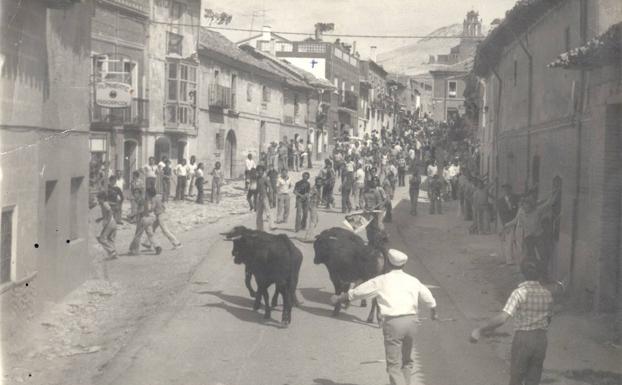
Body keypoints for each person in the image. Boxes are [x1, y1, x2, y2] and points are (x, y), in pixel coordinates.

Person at [331, 249, 437, 385]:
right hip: (412, 323)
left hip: (394, 324)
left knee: (393, 365)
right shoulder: (413, 280)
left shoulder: (381, 280)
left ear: (388, 263)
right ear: (403, 265)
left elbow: (360, 291)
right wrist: (434, 311)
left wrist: (340, 297)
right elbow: (428, 298)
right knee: (406, 361)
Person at [470, 259, 565, 385]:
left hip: (523, 339)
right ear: (539, 275)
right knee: (533, 379)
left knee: (516, 378)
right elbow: (548, 318)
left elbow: (503, 318)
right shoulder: (546, 294)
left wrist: (480, 329)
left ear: (522, 274)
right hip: (541, 340)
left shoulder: (519, 293)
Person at [128, 187, 162, 256]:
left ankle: (134, 250)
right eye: (134, 193)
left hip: (144, 219)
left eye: (136, 193)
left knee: (138, 235)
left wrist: (132, 215)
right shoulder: (142, 199)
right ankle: (157, 247)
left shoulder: (140, 200)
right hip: (148, 218)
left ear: (139, 194)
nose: (134, 194)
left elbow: (141, 210)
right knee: (150, 234)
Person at [497, 184, 519, 264]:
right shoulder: (500, 201)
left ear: (510, 190)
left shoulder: (515, 198)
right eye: (505, 190)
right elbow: (501, 214)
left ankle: (514, 258)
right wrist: (504, 225)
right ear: (503, 191)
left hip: (516, 222)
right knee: (508, 242)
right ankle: (509, 259)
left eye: (508, 189)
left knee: (515, 241)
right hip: (507, 223)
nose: (506, 191)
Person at [95, 191, 117, 260]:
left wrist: (107, 221)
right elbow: (107, 214)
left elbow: (110, 212)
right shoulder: (104, 204)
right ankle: (113, 254)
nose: (98, 200)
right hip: (113, 223)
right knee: (110, 239)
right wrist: (100, 219)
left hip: (110, 223)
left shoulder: (104, 204)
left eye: (98, 199)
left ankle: (112, 252)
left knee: (101, 239)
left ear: (102, 198)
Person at [255, 165, 274, 231]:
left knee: (268, 212)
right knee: (259, 213)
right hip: (259, 197)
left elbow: (270, 188)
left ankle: (272, 225)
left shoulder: (265, 178)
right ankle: (259, 228)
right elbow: (257, 188)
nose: (260, 172)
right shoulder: (257, 178)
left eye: (261, 171)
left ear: (263, 171)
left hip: (265, 197)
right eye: (258, 171)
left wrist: (271, 198)